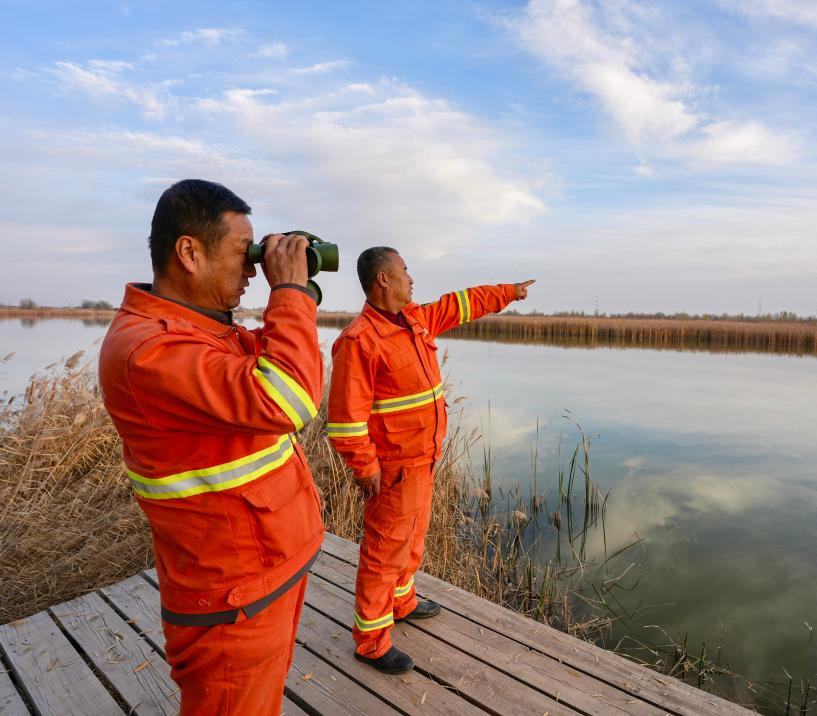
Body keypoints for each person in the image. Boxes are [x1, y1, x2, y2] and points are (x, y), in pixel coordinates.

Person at [99, 179, 325, 714]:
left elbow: (269, 381)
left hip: (263, 576)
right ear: (189, 252)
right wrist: (288, 292)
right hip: (232, 602)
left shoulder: (201, 330)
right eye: (242, 253)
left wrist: (298, 292)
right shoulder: (149, 349)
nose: (252, 268)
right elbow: (289, 401)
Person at [327, 246, 534, 673]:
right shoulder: (359, 341)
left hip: (423, 459)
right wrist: (364, 467)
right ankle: (371, 642)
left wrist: (509, 292)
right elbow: (346, 419)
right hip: (394, 468)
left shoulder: (417, 319)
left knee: (414, 539)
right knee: (384, 551)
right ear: (383, 279)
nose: (412, 278)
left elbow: (463, 303)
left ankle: (402, 602)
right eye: (405, 270)